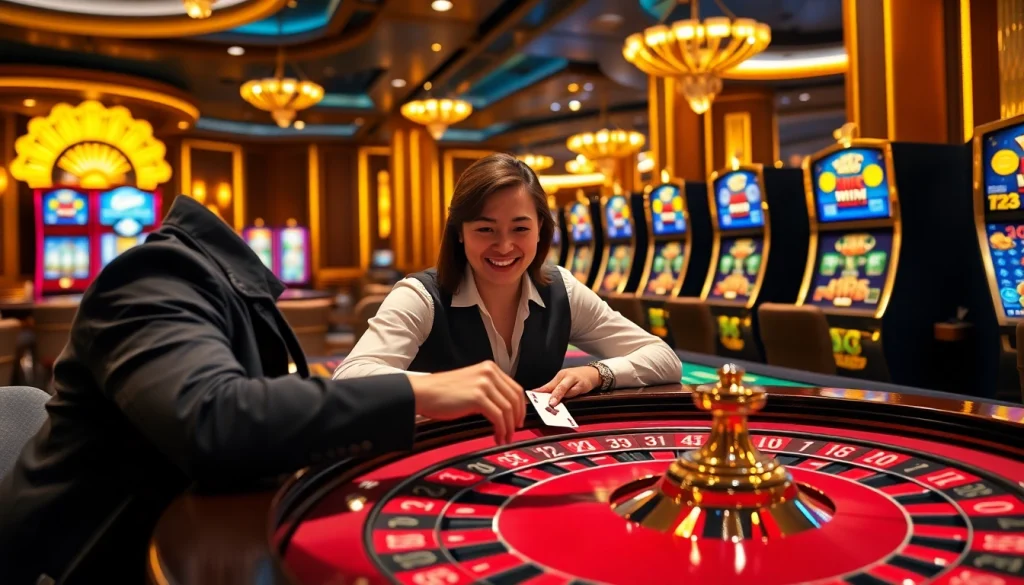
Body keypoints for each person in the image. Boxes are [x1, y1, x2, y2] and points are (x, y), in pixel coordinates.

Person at [0, 195, 525, 585]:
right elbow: (212, 418)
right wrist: (415, 393)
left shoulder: (213, 287)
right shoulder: (153, 274)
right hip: (69, 567)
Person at [334, 153, 682, 404]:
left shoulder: (562, 290)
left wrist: (596, 374)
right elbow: (350, 378)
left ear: (541, 229)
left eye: (520, 228)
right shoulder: (421, 296)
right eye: (486, 229)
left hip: (527, 463)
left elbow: (662, 357)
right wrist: (447, 387)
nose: (504, 246)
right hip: (436, 462)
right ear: (459, 233)